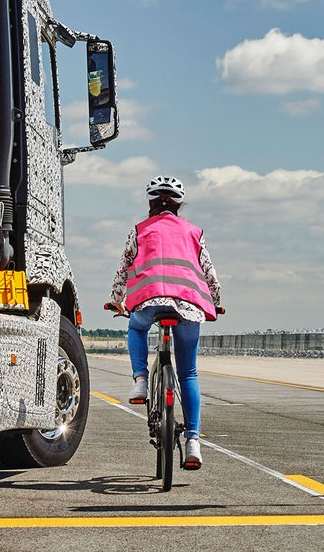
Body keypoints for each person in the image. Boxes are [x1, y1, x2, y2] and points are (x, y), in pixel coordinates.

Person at [108, 176, 222, 470]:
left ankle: (141, 381)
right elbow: (209, 273)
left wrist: (116, 299)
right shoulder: (194, 232)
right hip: (188, 305)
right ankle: (194, 441)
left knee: (135, 327)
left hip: (149, 301)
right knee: (189, 374)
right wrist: (217, 301)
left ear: (150, 203)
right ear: (179, 205)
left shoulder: (139, 230)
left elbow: (124, 268)